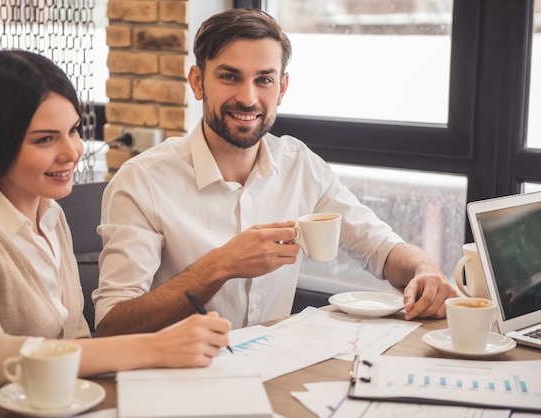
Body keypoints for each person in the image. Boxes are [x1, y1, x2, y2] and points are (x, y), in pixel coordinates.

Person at [94, 8, 459, 337]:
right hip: (173, 382)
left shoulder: (300, 166)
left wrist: (425, 271)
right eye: (229, 77)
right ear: (197, 82)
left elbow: (380, 247)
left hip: (274, 371)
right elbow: (113, 324)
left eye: (264, 80)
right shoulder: (142, 181)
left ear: (281, 88)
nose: (249, 98)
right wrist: (221, 265)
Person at [0, 50, 231, 409]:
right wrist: (154, 347)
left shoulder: (51, 216)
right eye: (45, 139)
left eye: (74, 130)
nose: (72, 151)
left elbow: (75, 336)